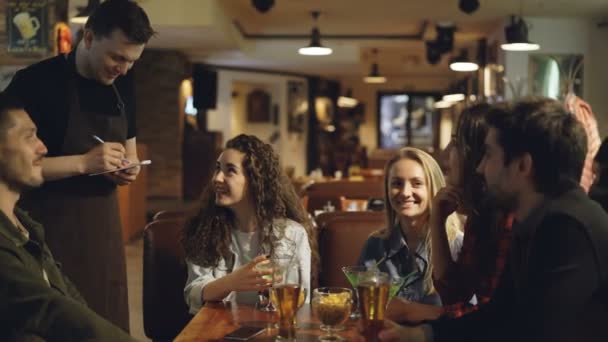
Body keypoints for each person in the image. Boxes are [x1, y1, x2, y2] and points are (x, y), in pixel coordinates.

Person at [375, 98, 608, 342]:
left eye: (488, 154)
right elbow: (498, 314)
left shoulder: (566, 229)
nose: (480, 167)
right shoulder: (532, 221)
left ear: (523, 165)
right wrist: (417, 335)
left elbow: (530, 332)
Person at [5, 0, 155, 330]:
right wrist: (84, 163)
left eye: (132, 61)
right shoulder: (35, 82)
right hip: (47, 229)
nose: (124, 69)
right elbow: (6, 166)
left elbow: (128, 150)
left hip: (103, 233)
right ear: (88, 37)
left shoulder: (124, 86)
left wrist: (128, 168)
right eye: (117, 57)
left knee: (107, 323)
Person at [0, 92, 135, 341]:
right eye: (29, 137)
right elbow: (50, 309)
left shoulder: (26, 225)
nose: (43, 148)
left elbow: (69, 300)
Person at [181, 134, 317, 314]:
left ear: (255, 180)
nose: (217, 178)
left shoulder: (292, 234)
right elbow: (193, 293)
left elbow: (300, 302)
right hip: (218, 331)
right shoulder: (204, 228)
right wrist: (232, 282)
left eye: (230, 170)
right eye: (217, 169)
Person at [358, 147, 463, 306]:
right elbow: (361, 306)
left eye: (417, 183)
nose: (405, 192)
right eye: (397, 183)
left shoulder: (456, 245)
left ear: (434, 189)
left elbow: (470, 315)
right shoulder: (375, 245)